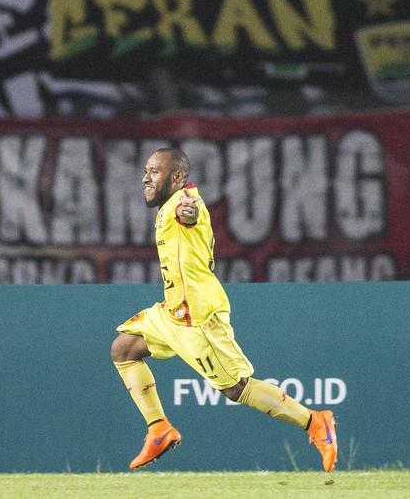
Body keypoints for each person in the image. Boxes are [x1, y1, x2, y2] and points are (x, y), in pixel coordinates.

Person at [110, 147, 338, 471]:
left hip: (197, 317)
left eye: (154, 171)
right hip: (171, 312)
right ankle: (159, 428)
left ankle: (315, 422)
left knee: (236, 388)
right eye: (146, 170)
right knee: (124, 349)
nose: (146, 177)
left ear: (177, 177)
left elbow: (189, 214)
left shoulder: (183, 204)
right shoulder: (169, 204)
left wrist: (189, 212)